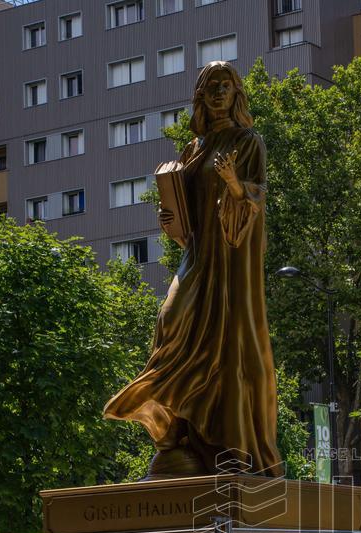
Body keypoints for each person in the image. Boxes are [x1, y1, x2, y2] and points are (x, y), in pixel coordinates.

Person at [104, 62, 283, 480]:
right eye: (211, 88)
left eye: (226, 86)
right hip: (199, 256)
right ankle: (174, 423)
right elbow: (186, 222)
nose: (219, 93)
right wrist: (171, 216)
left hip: (231, 266)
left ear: (236, 94)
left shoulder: (247, 141)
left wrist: (234, 183)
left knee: (227, 344)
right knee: (169, 320)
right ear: (200, 96)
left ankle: (223, 440)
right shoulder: (195, 148)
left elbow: (255, 200)